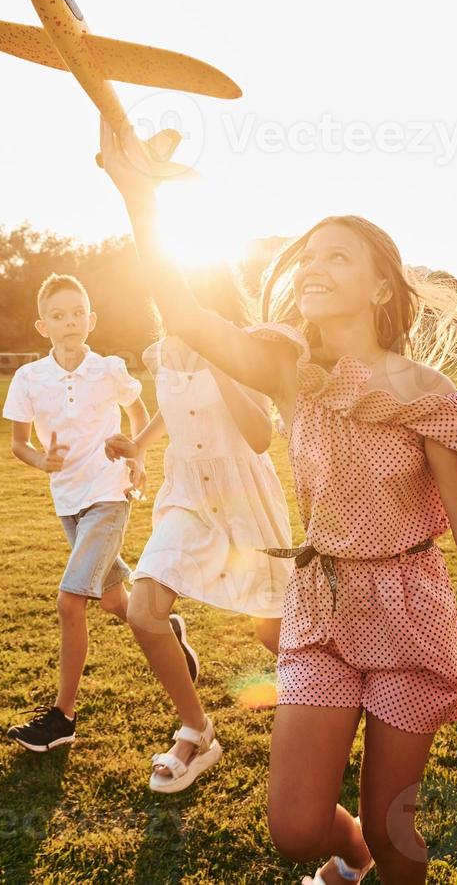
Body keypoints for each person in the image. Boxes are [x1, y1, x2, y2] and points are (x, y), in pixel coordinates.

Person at [99, 118, 457, 885]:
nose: (313, 266)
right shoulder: (285, 365)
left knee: (391, 822)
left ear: (378, 286)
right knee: (297, 826)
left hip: (409, 608)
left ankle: (381, 860)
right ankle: (355, 862)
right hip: (321, 603)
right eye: (308, 256)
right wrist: (137, 195)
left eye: (337, 256)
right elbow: (185, 314)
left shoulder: (425, 394)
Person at [103, 265, 293, 793]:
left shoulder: (245, 349)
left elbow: (258, 436)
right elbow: (173, 406)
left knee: (273, 631)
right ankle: (197, 731)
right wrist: (139, 444)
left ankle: (339, 703)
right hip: (188, 496)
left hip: (245, 500)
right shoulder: (162, 352)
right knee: (143, 611)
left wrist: (218, 356)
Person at [1, 273, 166, 753]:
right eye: (59, 315)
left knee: (70, 602)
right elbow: (18, 443)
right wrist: (41, 461)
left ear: (91, 319)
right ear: (42, 325)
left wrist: (136, 456)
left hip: (109, 494)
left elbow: (138, 417)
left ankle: (62, 718)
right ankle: (165, 627)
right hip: (67, 500)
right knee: (115, 602)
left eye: (78, 313)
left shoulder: (110, 369)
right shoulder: (28, 378)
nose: (70, 321)